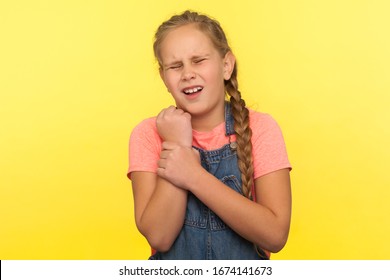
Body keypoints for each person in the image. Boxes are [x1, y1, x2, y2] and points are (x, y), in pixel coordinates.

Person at [127, 10, 292, 260]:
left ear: (226, 66)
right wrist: (176, 144)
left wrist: (193, 176)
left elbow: (275, 235)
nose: (187, 73)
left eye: (198, 60)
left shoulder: (261, 129)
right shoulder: (148, 134)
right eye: (175, 66)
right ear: (163, 77)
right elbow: (159, 236)